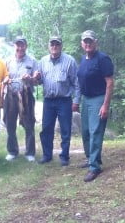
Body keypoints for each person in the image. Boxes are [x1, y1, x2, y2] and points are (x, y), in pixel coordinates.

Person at [35, 36, 80, 166]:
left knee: (65, 129)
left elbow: (76, 83)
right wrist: (37, 79)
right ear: (49, 46)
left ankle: (64, 156)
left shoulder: (70, 61)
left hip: (64, 100)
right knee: (46, 129)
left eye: (57, 44)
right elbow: (39, 81)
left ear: (61, 46)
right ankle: (47, 155)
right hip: (48, 101)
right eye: (52, 44)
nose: (54, 46)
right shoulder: (43, 61)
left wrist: (76, 101)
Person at [77, 30, 114, 182]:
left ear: (95, 42)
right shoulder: (83, 59)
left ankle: (94, 167)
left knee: (95, 132)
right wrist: (78, 100)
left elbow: (110, 82)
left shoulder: (103, 59)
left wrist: (105, 105)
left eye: (90, 41)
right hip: (86, 99)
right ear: (82, 43)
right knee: (85, 132)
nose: (87, 44)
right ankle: (90, 158)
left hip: (98, 98)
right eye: (85, 41)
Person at [3, 36, 38, 162]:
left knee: (28, 123)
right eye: (18, 45)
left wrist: (31, 78)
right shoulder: (7, 61)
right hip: (11, 96)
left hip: (26, 95)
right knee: (10, 124)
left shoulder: (32, 61)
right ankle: (12, 151)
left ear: (26, 46)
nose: (20, 48)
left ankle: (30, 152)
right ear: (14, 46)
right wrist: (5, 80)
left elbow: (37, 81)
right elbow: (3, 79)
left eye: (22, 45)